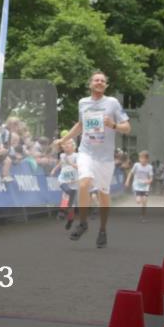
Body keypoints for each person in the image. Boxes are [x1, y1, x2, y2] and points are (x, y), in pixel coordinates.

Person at [54, 71, 131, 248]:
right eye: (96, 80)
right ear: (90, 84)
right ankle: (83, 223)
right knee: (83, 183)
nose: (99, 82)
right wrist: (64, 139)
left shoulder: (112, 103)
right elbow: (80, 125)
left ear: (106, 86)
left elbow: (127, 127)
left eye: (103, 81)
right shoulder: (83, 103)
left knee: (104, 194)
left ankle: (103, 229)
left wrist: (112, 125)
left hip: (105, 157)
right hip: (86, 152)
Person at [50, 138, 79, 230]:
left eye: (69, 144)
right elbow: (60, 163)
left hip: (74, 180)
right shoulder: (62, 155)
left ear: (74, 147)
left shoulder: (77, 156)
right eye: (65, 144)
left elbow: (79, 167)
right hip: (64, 178)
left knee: (71, 205)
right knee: (65, 193)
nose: (66, 145)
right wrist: (54, 169)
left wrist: (70, 163)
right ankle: (62, 212)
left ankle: (70, 220)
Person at [125, 150, 154, 220]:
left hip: (145, 186)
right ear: (139, 159)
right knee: (138, 201)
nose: (142, 160)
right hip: (137, 185)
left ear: (147, 159)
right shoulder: (136, 165)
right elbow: (130, 173)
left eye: (144, 158)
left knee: (144, 201)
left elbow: (151, 178)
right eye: (141, 158)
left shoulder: (149, 167)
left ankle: (143, 215)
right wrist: (127, 181)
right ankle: (138, 197)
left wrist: (149, 181)